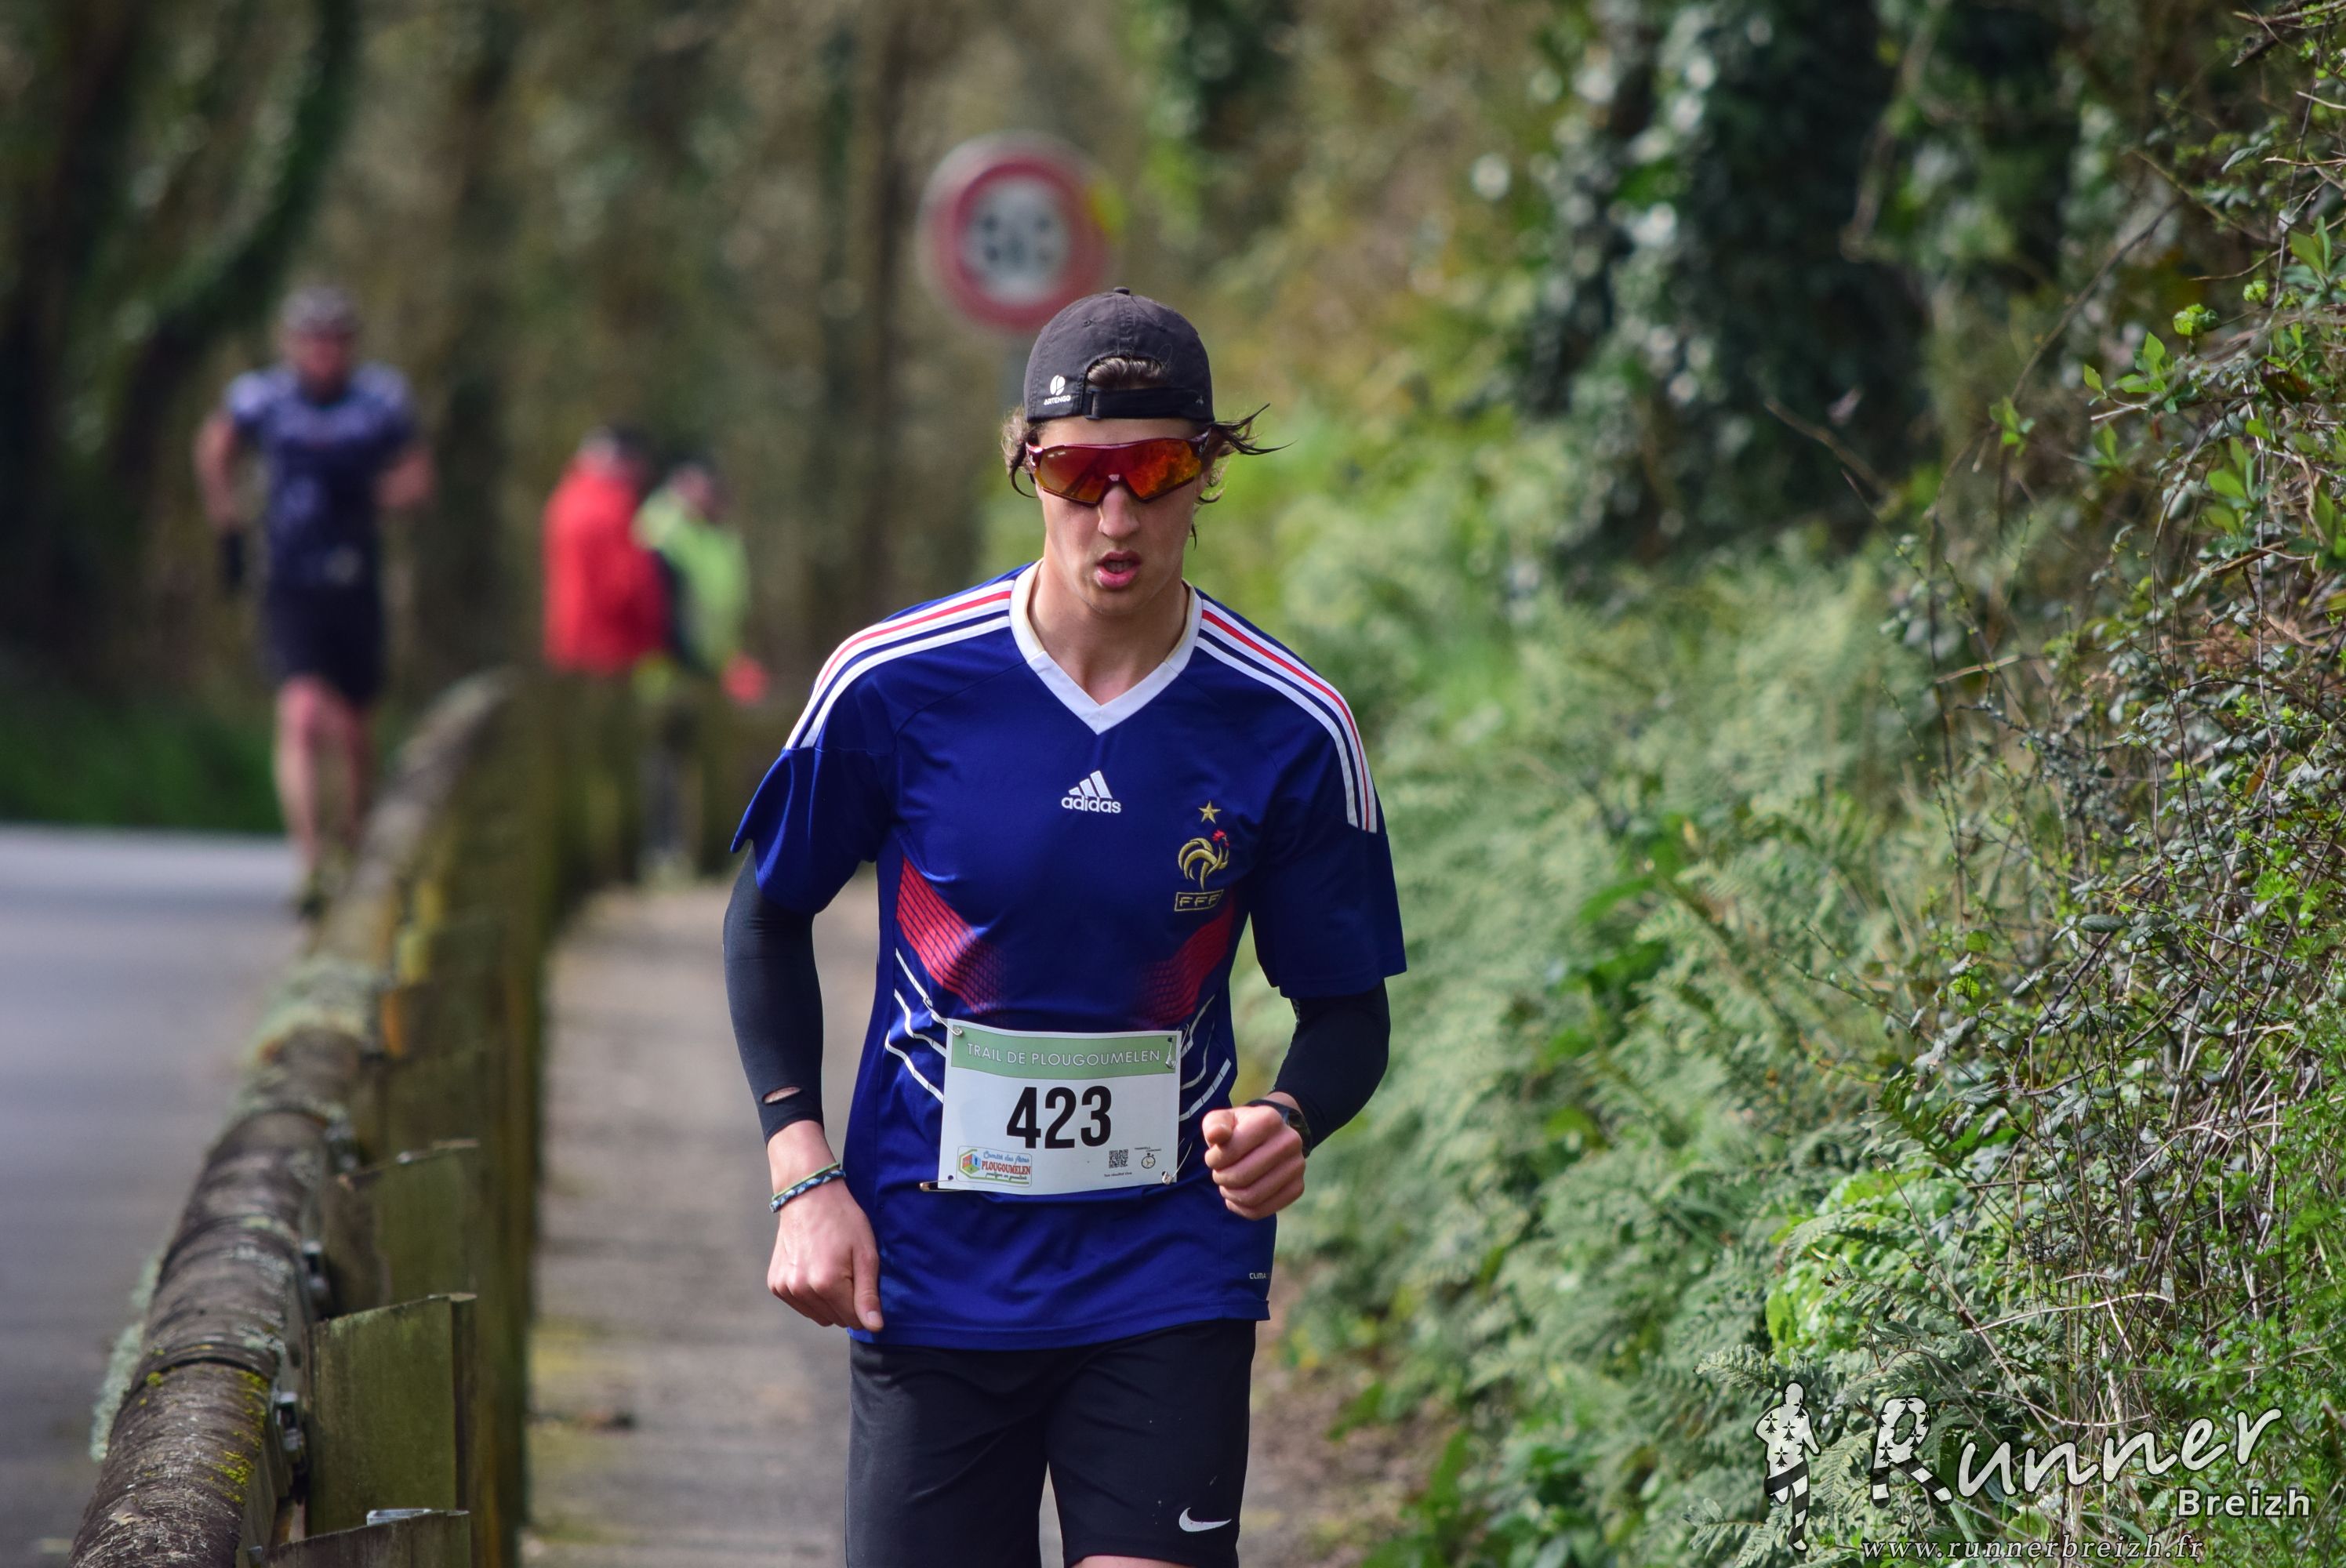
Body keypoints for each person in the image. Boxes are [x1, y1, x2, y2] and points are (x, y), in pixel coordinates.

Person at [724, 287, 1405, 1568]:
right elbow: (766, 918)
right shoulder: (894, 684)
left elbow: (1348, 1013)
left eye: (1154, 471)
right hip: (931, 1269)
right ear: (1026, 466)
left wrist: (1291, 1118)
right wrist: (803, 1176)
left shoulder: (1287, 725)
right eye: (1079, 473)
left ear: (1205, 472)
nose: (1116, 514)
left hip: (1167, 1266)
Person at [196, 285, 432, 916]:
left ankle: (350, 843)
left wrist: (373, 496)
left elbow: (417, 476)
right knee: (301, 714)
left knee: (354, 729)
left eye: (335, 341)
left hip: (355, 578)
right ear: (292, 344)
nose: (323, 353)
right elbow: (215, 445)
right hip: (289, 577)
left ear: (350, 345)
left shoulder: (380, 401)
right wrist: (228, 526)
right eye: (312, 340)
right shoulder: (263, 398)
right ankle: (308, 861)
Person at [541, 424, 667, 677]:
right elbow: (626, 585)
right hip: (611, 647)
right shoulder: (611, 508)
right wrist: (654, 636)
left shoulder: (566, 498)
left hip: (571, 642)